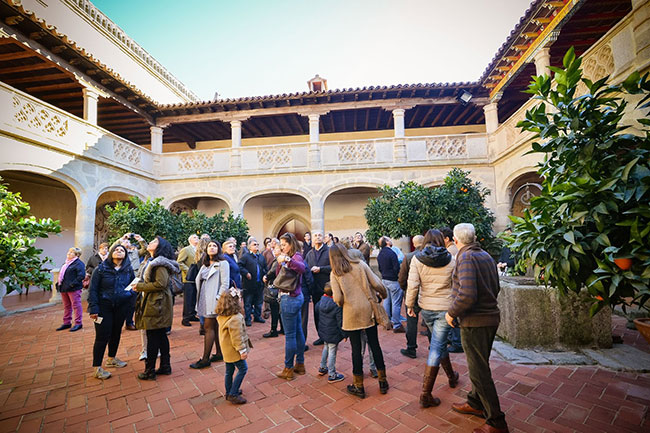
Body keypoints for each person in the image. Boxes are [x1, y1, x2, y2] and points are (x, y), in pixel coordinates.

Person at [446, 223, 509, 433]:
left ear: (456, 240)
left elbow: (467, 294)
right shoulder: (484, 255)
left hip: (476, 322)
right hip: (489, 318)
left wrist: (451, 312)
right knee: (479, 365)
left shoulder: (465, 257)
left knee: (479, 371)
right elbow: (495, 287)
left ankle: (496, 422)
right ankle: (475, 402)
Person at [406, 229, 459, 408]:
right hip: (445, 308)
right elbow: (455, 285)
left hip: (426, 307)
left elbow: (412, 285)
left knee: (438, 343)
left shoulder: (417, 259)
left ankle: (452, 376)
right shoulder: (451, 259)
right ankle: (426, 394)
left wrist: (409, 306)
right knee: (437, 345)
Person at [329, 243, 388, 398]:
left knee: (356, 349)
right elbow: (376, 283)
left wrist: (341, 303)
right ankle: (383, 382)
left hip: (351, 312)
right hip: (368, 309)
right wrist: (383, 295)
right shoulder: (360, 264)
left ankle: (359, 386)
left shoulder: (335, 273)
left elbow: (338, 298)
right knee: (374, 344)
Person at [133, 236, 179, 380]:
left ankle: (150, 370)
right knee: (159, 335)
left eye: (154, 241)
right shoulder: (152, 261)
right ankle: (165, 366)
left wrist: (139, 286)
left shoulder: (159, 264)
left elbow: (161, 284)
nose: (150, 243)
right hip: (157, 303)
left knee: (153, 336)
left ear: (160, 247)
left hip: (157, 304)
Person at [88, 243, 135, 379]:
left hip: (121, 307)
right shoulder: (100, 269)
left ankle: (111, 359)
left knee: (116, 333)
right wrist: (93, 308)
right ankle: (97, 367)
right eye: (116, 249)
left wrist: (129, 296)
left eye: (122, 250)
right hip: (103, 308)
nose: (119, 251)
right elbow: (93, 290)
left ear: (125, 254)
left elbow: (133, 286)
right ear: (111, 253)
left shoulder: (128, 269)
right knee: (102, 336)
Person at [190, 241, 229, 369]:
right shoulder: (204, 265)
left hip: (214, 299)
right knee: (215, 326)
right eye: (209, 246)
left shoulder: (223, 263)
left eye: (214, 246)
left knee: (208, 327)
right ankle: (219, 353)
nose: (211, 248)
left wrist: (218, 298)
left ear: (218, 249)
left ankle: (205, 359)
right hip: (203, 298)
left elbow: (225, 284)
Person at [275, 232, 306, 381]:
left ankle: (288, 368)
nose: (282, 247)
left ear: (291, 244)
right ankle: (300, 364)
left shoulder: (295, 257)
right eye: (281, 245)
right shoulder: (292, 256)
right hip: (296, 297)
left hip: (290, 298)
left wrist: (286, 259)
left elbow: (302, 268)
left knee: (291, 335)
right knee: (298, 332)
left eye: (284, 245)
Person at [216, 287, 250, 404]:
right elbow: (237, 337)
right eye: (240, 299)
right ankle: (233, 393)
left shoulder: (222, 316)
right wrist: (242, 351)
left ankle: (229, 390)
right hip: (234, 350)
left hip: (226, 349)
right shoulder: (235, 318)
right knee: (243, 369)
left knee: (229, 370)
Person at [112, 233, 147, 331]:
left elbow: (145, 249)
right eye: (124, 241)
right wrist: (121, 238)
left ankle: (129, 322)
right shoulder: (118, 252)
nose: (126, 242)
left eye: (128, 241)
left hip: (133, 279)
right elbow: (112, 248)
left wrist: (140, 239)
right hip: (121, 279)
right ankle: (116, 322)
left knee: (132, 302)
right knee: (119, 301)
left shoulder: (135, 252)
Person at [398, 234, 426, 359]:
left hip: (412, 293)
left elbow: (402, 277)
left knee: (411, 322)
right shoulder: (430, 255)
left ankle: (411, 348)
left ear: (414, 244)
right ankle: (434, 347)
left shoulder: (409, 257)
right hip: (426, 292)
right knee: (430, 321)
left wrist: (405, 289)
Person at [304, 230, 331, 346]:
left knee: (329, 312)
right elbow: (305, 268)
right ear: (312, 239)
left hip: (328, 287)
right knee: (317, 313)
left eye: (320, 235)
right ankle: (321, 336)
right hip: (315, 288)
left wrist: (321, 269)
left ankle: (330, 336)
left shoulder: (329, 251)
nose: (318, 237)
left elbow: (334, 266)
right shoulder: (309, 254)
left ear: (324, 238)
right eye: (315, 236)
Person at [316, 283, 346, 383]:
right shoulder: (336, 305)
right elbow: (340, 321)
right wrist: (344, 334)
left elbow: (316, 309)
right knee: (332, 351)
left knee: (326, 347)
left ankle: (322, 367)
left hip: (324, 331)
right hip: (333, 332)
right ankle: (332, 374)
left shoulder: (321, 300)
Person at [441, 226, 462, 353]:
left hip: (454, 288)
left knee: (454, 315)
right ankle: (453, 339)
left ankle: (457, 342)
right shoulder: (450, 249)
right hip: (453, 287)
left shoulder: (451, 251)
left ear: (447, 239)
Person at [377, 236, 404, 333]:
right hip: (393, 280)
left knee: (387, 301)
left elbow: (380, 268)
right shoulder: (391, 253)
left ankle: (387, 322)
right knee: (396, 302)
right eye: (389, 239)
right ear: (387, 242)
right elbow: (396, 267)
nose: (391, 240)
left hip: (384, 279)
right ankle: (397, 324)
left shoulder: (380, 254)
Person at [55, 247, 86, 332]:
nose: (69, 253)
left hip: (73, 288)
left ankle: (78, 323)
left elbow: (81, 276)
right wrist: (59, 284)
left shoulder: (79, 264)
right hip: (64, 288)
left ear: (77, 255)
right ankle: (67, 322)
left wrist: (72, 284)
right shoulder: (66, 263)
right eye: (69, 251)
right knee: (67, 306)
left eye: (72, 252)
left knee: (76, 305)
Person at [238, 238, 267, 326]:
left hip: (259, 284)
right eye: (254, 244)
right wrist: (246, 273)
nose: (256, 246)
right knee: (248, 303)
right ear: (249, 246)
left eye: (257, 244)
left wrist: (265, 275)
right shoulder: (246, 256)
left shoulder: (261, 257)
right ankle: (248, 318)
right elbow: (239, 266)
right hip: (249, 284)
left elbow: (265, 267)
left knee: (259, 302)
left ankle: (257, 316)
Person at [262, 242, 284, 338]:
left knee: (275, 309)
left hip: (275, 286)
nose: (274, 251)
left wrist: (266, 276)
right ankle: (283, 328)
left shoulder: (278, 260)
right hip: (280, 287)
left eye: (276, 249)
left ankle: (273, 330)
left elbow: (272, 272)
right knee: (279, 310)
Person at [180, 234, 200, 327]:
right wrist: (188, 270)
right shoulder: (186, 250)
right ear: (190, 240)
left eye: (197, 237)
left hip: (196, 278)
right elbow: (179, 262)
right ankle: (185, 318)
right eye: (194, 237)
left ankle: (192, 314)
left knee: (194, 298)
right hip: (188, 278)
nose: (197, 238)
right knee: (188, 299)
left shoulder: (199, 250)